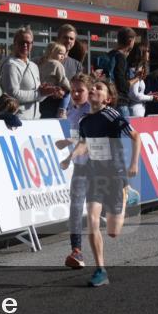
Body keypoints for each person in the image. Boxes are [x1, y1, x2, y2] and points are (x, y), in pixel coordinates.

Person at [60, 78, 141, 287]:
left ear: (108, 98)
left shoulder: (112, 115)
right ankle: (100, 270)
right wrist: (70, 158)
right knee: (92, 220)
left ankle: (125, 195)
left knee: (113, 232)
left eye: (99, 88)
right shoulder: (84, 121)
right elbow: (84, 144)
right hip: (95, 175)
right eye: (93, 87)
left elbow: (136, 136)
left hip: (115, 175)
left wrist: (134, 164)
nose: (94, 90)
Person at [55, 74, 92, 269]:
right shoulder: (72, 110)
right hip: (81, 165)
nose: (76, 94)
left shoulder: (94, 111)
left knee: (94, 211)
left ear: (89, 91)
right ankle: (76, 250)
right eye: (73, 90)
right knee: (76, 207)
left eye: (80, 90)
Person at [0, 27, 59, 120]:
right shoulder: (10, 65)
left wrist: (47, 92)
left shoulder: (33, 66)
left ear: (32, 44)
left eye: (28, 43)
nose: (25, 45)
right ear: (15, 43)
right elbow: (13, 95)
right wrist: (39, 93)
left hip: (35, 120)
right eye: (21, 42)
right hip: (17, 120)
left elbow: (37, 97)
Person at [95, 27, 137, 117]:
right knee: (124, 130)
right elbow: (122, 85)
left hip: (108, 102)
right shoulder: (120, 57)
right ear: (130, 41)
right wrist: (137, 78)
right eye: (134, 41)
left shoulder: (109, 54)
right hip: (120, 103)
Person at [38, 42, 72, 119]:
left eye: (64, 54)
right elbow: (62, 79)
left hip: (42, 94)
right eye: (60, 54)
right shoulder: (57, 64)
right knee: (68, 94)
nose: (63, 56)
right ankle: (62, 110)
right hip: (54, 93)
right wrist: (69, 88)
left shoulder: (41, 63)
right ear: (52, 52)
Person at [126, 42, 157, 117]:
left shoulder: (140, 70)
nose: (148, 53)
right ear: (140, 53)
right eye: (147, 51)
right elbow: (134, 95)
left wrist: (148, 95)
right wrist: (151, 98)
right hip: (134, 111)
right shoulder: (132, 70)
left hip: (140, 110)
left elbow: (138, 94)